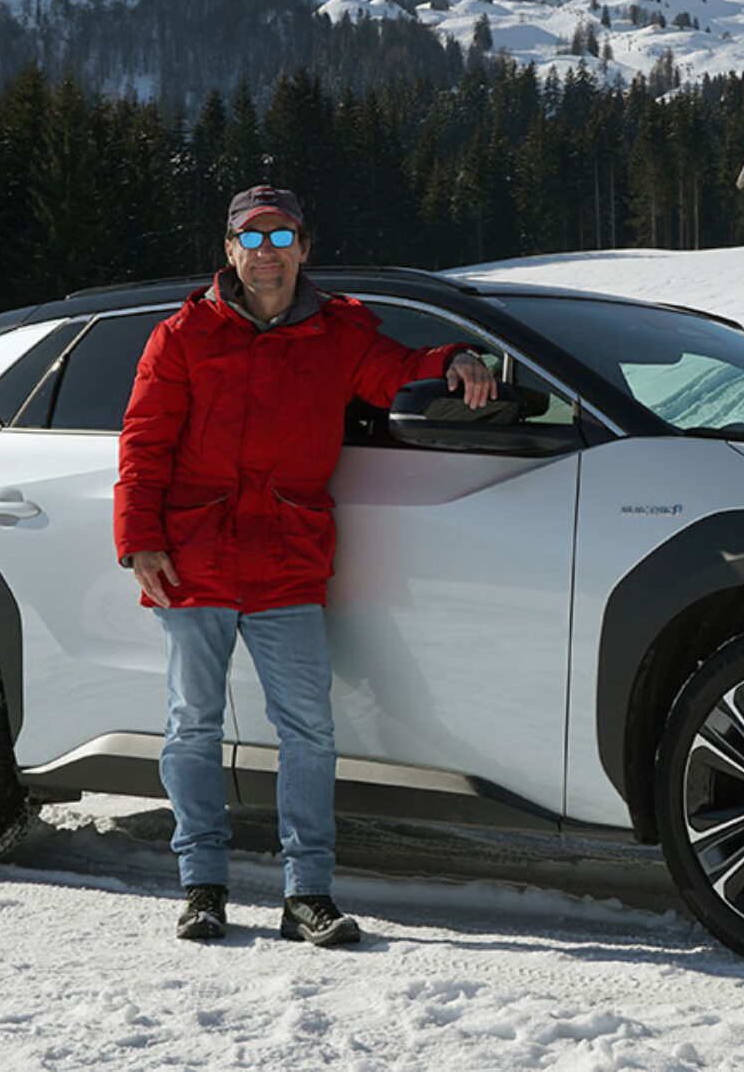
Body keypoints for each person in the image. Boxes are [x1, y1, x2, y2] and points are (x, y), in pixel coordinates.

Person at [113, 185, 496, 947]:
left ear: (303, 247)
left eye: (279, 237)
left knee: (309, 732)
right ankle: (202, 889)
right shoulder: (183, 336)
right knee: (192, 725)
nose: (265, 255)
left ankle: (307, 895)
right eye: (250, 240)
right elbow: (144, 440)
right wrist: (138, 539)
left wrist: (458, 357)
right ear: (229, 251)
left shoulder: (338, 333)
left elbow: (399, 371)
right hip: (195, 554)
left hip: (287, 555)